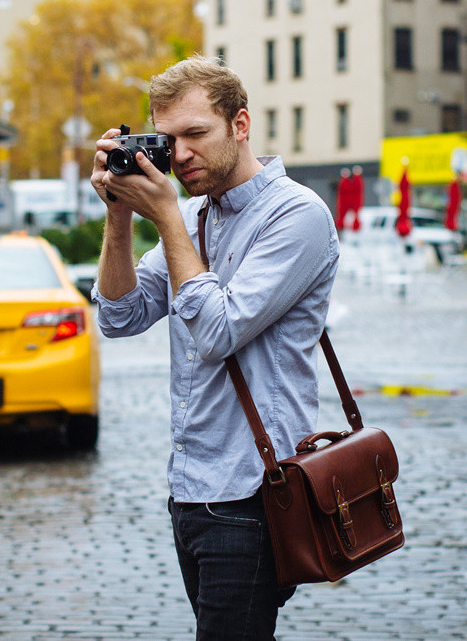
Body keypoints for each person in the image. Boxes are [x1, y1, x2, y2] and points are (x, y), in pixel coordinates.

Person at [90, 55, 339, 638]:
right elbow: (120, 316)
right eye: (167, 139)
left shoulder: (297, 214)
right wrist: (120, 216)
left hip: (255, 491)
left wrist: (169, 219)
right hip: (191, 489)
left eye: (196, 134)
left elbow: (217, 332)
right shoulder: (196, 215)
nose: (179, 156)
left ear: (241, 125)